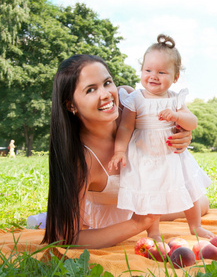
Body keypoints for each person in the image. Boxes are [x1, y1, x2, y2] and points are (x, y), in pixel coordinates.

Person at [42, 54, 208, 249]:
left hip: (145, 199)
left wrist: (183, 135)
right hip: (113, 218)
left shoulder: (129, 102)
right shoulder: (81, 159)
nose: (106, 94)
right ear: (71, 105)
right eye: (91, 89)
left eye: (107, 82)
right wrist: (137, 224)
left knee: (202, 203)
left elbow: (169, 124)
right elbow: (66, 239)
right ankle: (49, 216)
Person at [108, 34, 214, 241]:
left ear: (175, 77)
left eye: (161, 72)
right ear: (141, 71)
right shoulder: (136, 98)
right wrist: (119, 151)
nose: (153, 76)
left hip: (172, 156)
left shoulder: (175, 99)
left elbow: (192, 122)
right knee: (151, 194)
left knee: (190, 189)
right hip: (145, 156)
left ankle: (195, 226)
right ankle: (154, 232)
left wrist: (177, 116)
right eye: (148, 70)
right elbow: (125, 128)